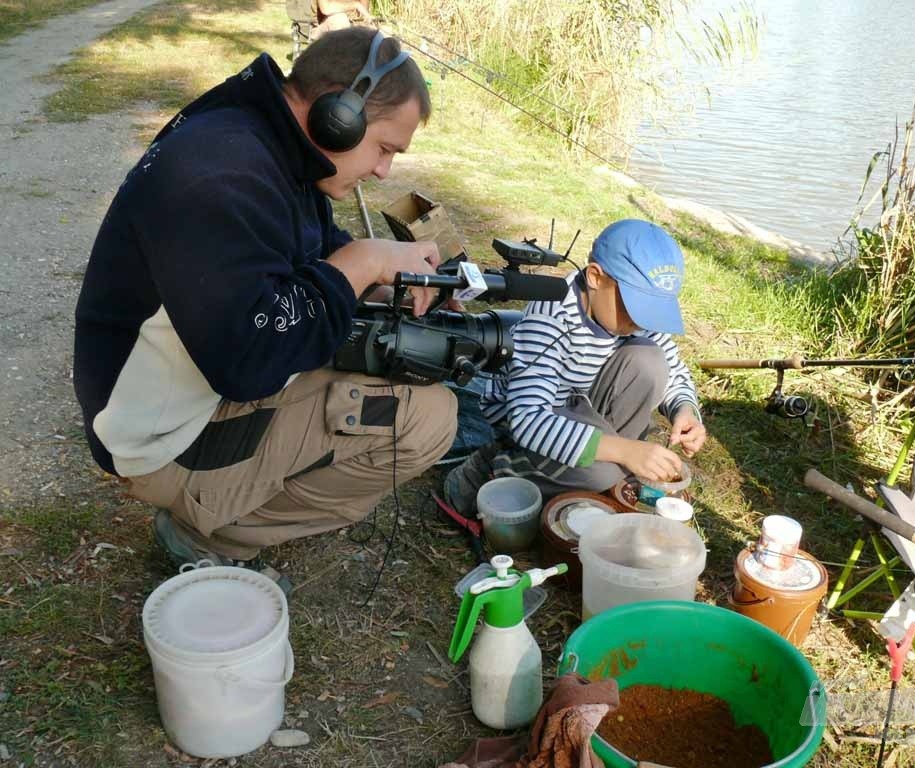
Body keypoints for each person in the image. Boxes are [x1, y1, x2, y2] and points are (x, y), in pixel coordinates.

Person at [73, 28, 456, 586]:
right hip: (162, 437)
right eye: (384, 149)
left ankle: (219, 507)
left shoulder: (266, 143)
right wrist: (362, 263)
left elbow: (304, 248)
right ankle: (209, 531)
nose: (383, 172)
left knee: (392, 367)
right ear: (338, 116)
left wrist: (376, 274)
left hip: (189, 386)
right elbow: (250, 363)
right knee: (426, 418)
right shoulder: (219, 177)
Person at [444, 219, 707, 515]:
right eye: (636, 308)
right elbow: (528, 419)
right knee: (605, 472)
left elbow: (673, 369)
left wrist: (685, 410)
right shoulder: (551, 315)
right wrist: (625, 451)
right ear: (595, 277)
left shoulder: (632, 317)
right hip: (532, 420)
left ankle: (602, 472)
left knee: (650, 360)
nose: (642, 322)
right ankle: (502, 466)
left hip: (582, 406)